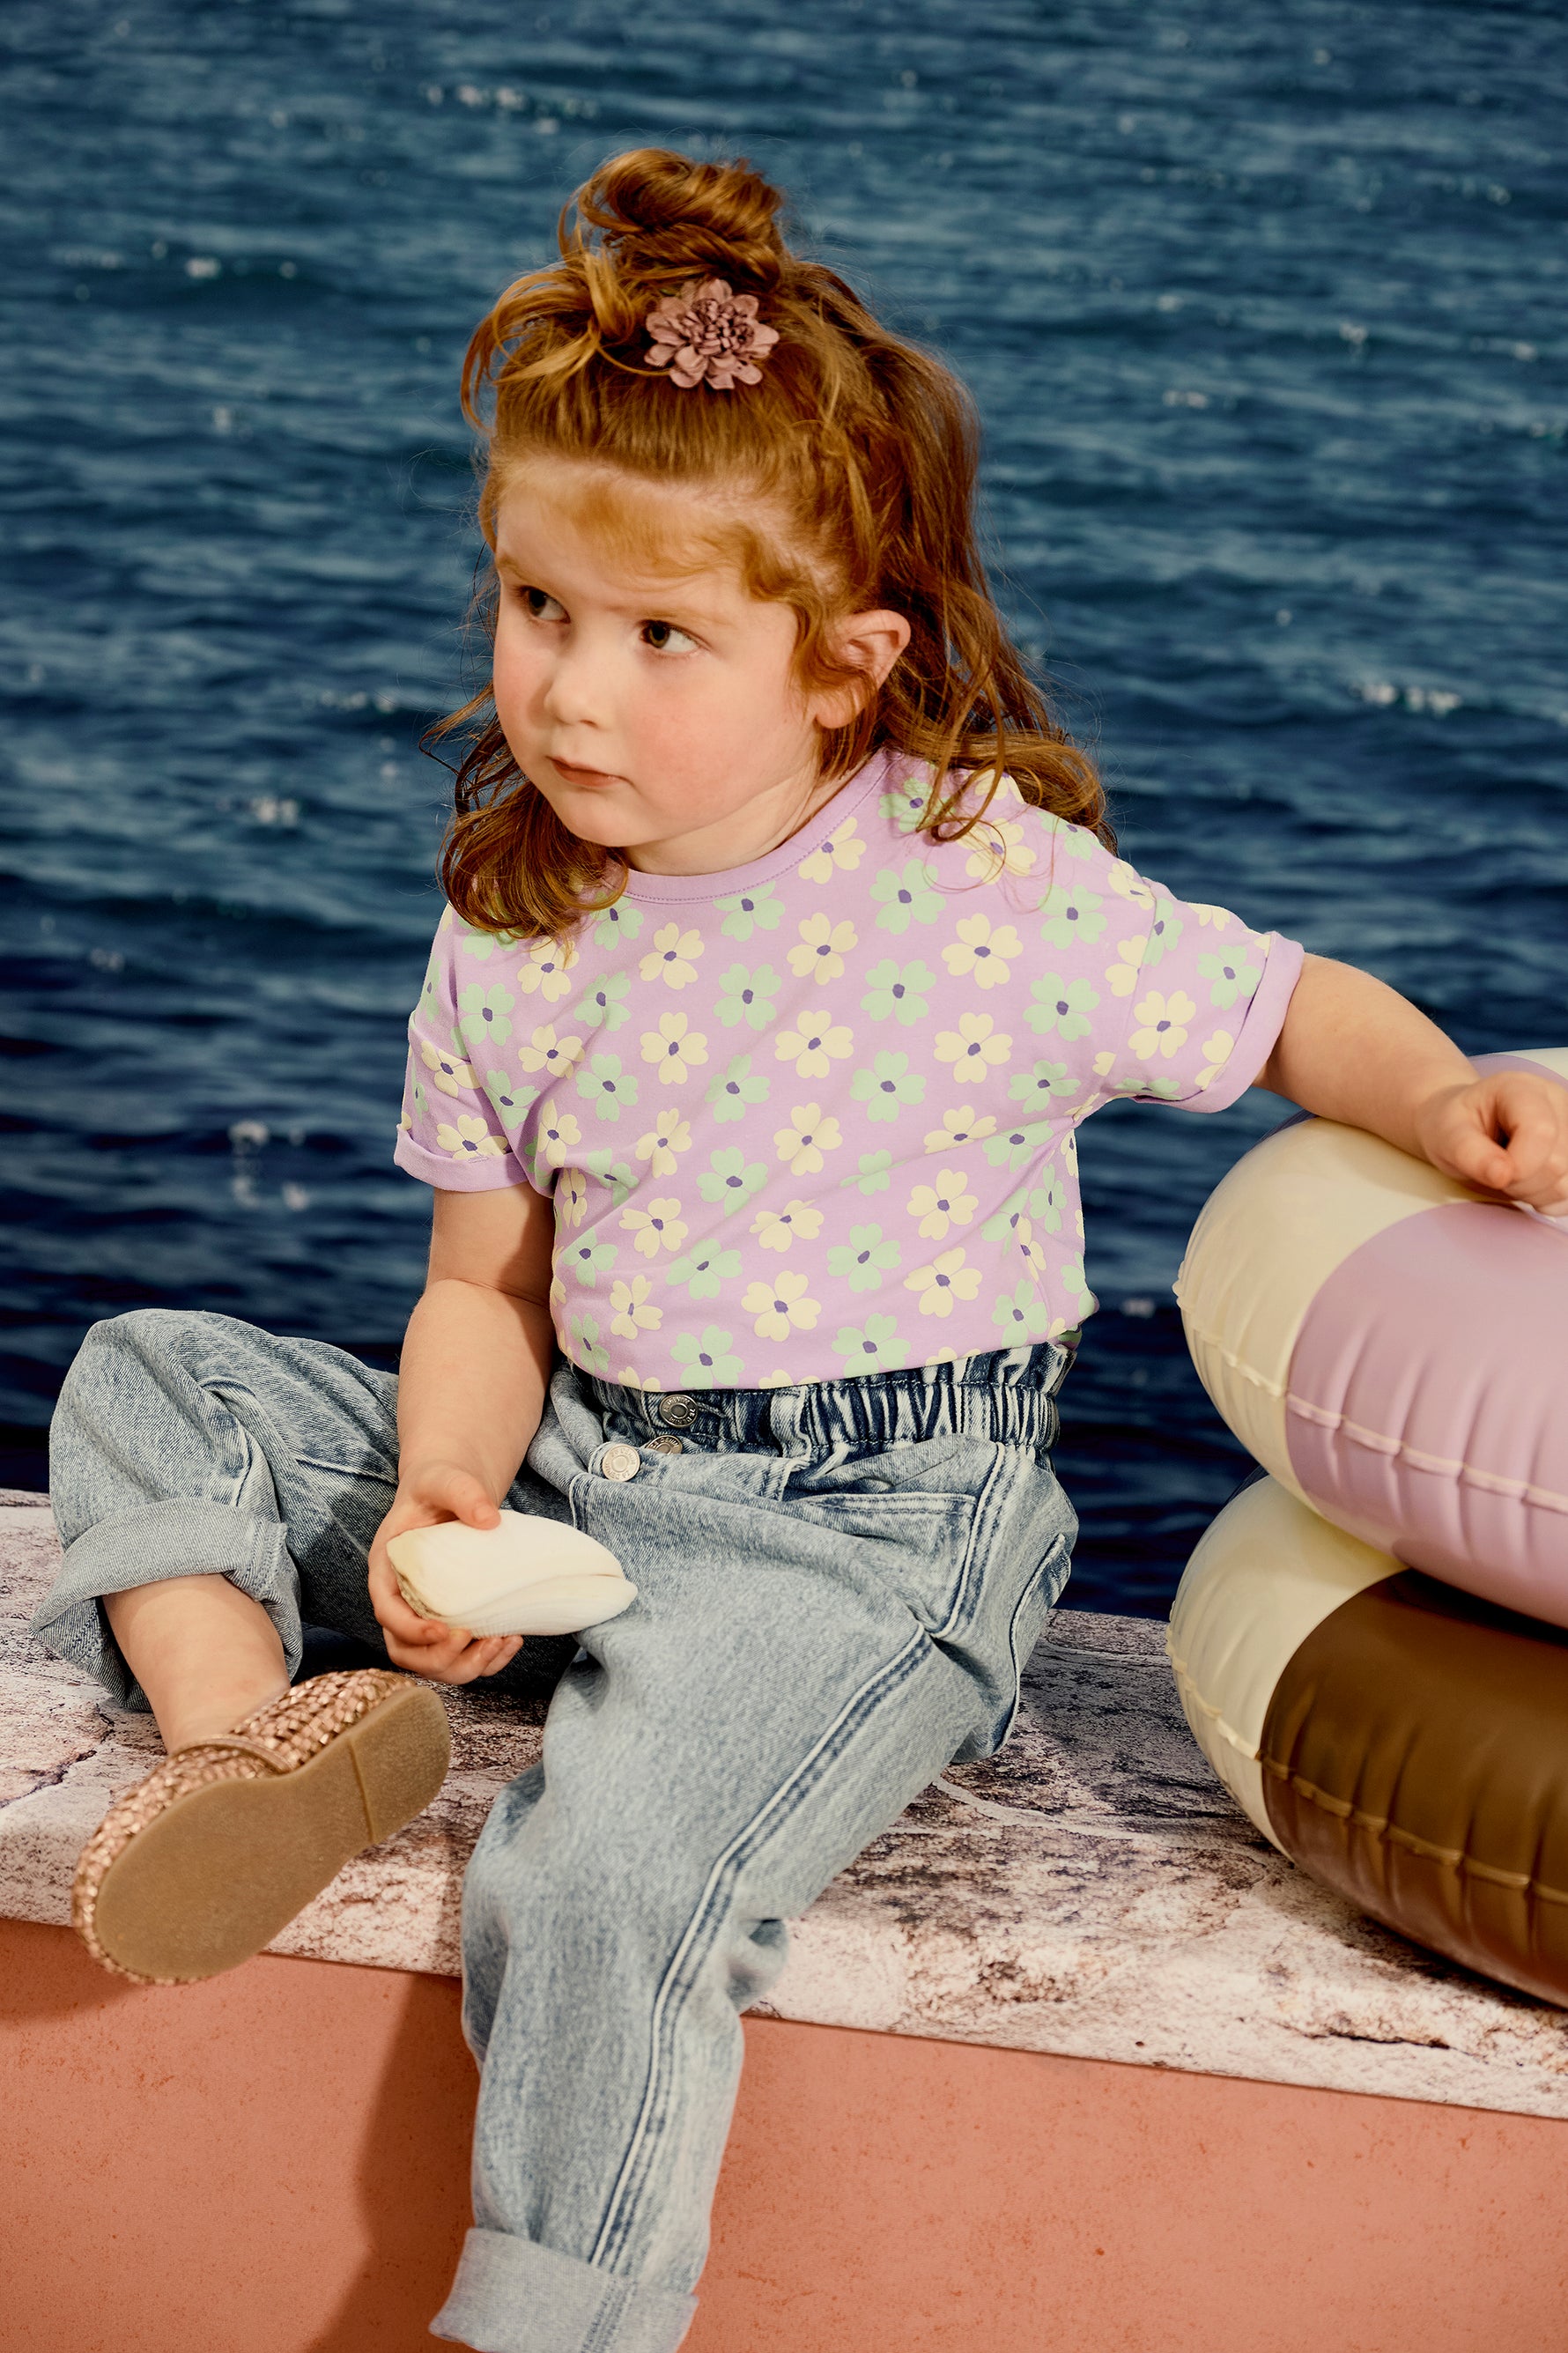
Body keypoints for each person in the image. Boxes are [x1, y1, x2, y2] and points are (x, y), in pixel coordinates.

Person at [33, 148, 1568, 2353]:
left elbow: (1274, 1004)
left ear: (845, 667)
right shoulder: (516, 924)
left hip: (868, 1529)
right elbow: (481, 1289)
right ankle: (247, 1745)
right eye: (535, 603)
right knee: (149, 1370)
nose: (569, 690)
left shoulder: (974, 880)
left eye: (659, 636)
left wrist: (1433, 1101)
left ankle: (546, 2324)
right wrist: (448, 1487)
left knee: (602, 1878)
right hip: (583, 1467)